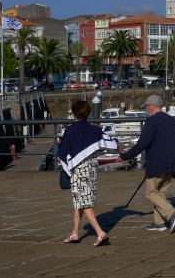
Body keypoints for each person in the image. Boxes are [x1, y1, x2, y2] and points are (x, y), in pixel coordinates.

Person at [119, 95, 175, 233]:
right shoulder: (172, 121)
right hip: (172, 163)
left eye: (146, 107)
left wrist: (125, 156)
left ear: (151, 106)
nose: (146, 109)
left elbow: (142, 144)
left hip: (157, 163)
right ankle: (159, 223)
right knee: (160, 193)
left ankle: (172, 213)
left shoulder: (151, 121)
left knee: (150, 193)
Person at [57, 100, 118, 247]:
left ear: (73, 114)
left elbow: (62, 153)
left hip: (79, 169)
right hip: (92, 167)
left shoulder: (70, 130)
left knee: (84, 203)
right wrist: (119, 149)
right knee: (80, 201)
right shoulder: (94, 129)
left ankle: (100, 233)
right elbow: (108, 142)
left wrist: (67, 167)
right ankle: (75, 233)